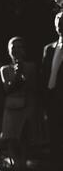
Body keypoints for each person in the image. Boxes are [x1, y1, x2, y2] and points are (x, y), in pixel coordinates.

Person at [0, 37, 37, 171]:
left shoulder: (31, 66)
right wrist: (17, 74)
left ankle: (25, 164)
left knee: (26, 137)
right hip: (12, 108)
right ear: (9, 50)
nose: (16, 49)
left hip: (28, 106)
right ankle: (16, 165)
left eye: (19, 46)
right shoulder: (5, 69)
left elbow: (34, 87)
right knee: (12, 138)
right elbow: (7, 89)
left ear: (24, 49)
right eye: (13, 47)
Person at [41, 11, 63, 171]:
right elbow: (43, 74)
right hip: (52, 98)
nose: (60, 26)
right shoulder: (49, 49)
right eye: (58, 23)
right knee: (54, 135)